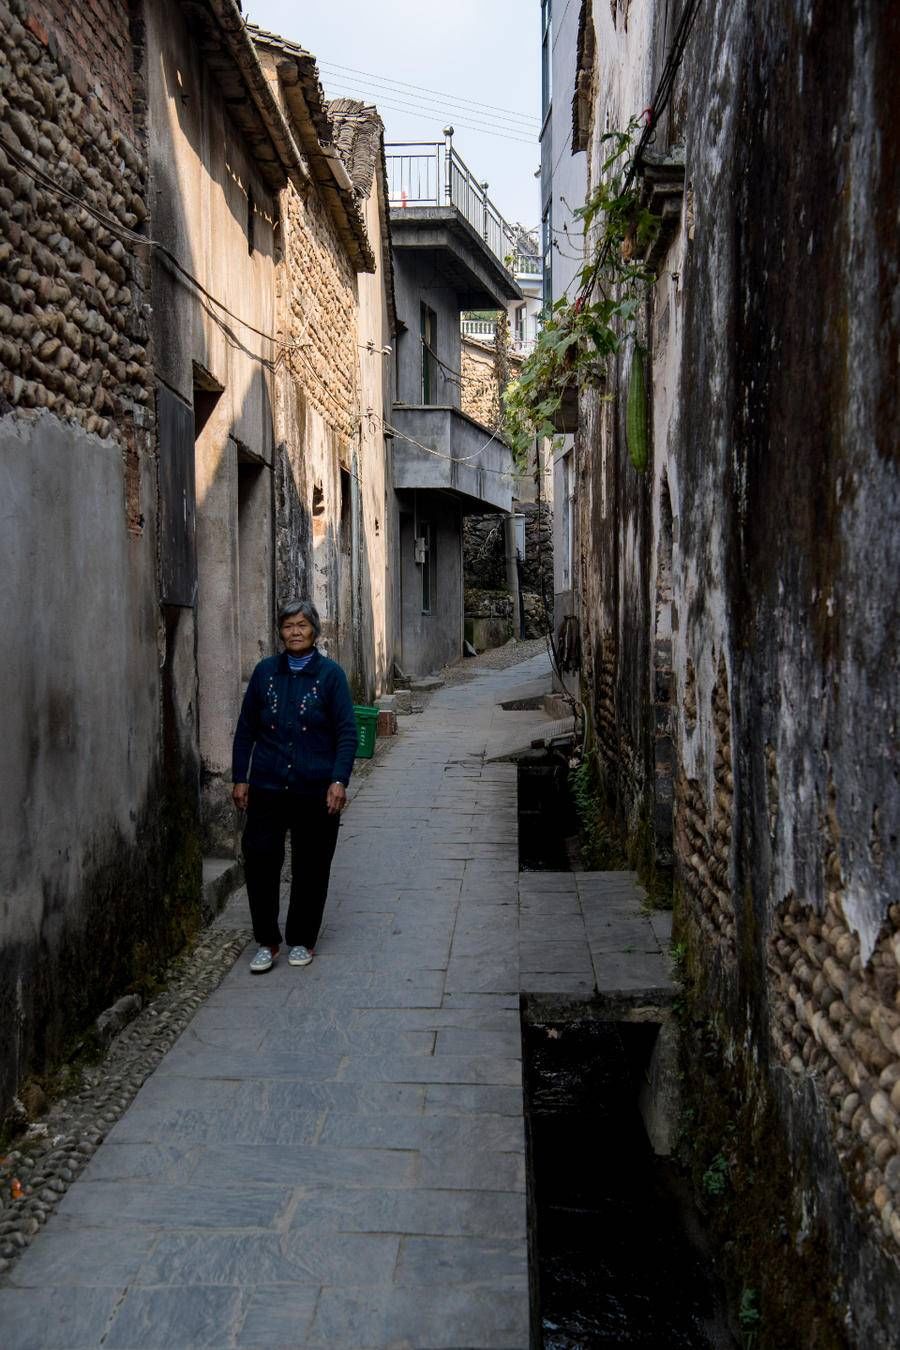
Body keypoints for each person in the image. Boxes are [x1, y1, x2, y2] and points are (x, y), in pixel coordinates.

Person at [231, 599, 359, 972]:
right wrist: (241, 776)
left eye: (302, 625)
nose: (296, 632)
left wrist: (339, 780)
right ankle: (267, 941)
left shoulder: (331, 676)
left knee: (312, 865)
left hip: (316, 788)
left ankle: (302, 938)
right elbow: (245, 730)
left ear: (314, 631)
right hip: (268, 786)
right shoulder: (265, 673)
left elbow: (346, 732)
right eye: (288, 626)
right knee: (260, 860)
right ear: (280, 632)